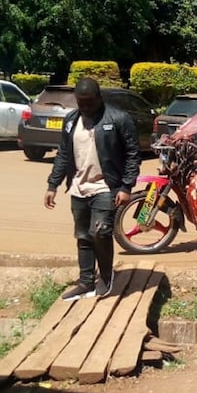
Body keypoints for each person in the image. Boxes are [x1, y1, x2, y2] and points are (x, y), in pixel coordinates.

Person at [44, 77, 141, 301]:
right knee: (83, 236)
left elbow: (133, 155)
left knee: (101, 232)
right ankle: (85, 281)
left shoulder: (118, 119)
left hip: (106, 186)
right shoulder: (71, 121)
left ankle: (106, 278)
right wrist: (53, 184)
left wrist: (126, 186)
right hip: (79, 187)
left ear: (99, 97)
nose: (86, 107)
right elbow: (63, 154)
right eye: (81, 102)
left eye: (89, 102)